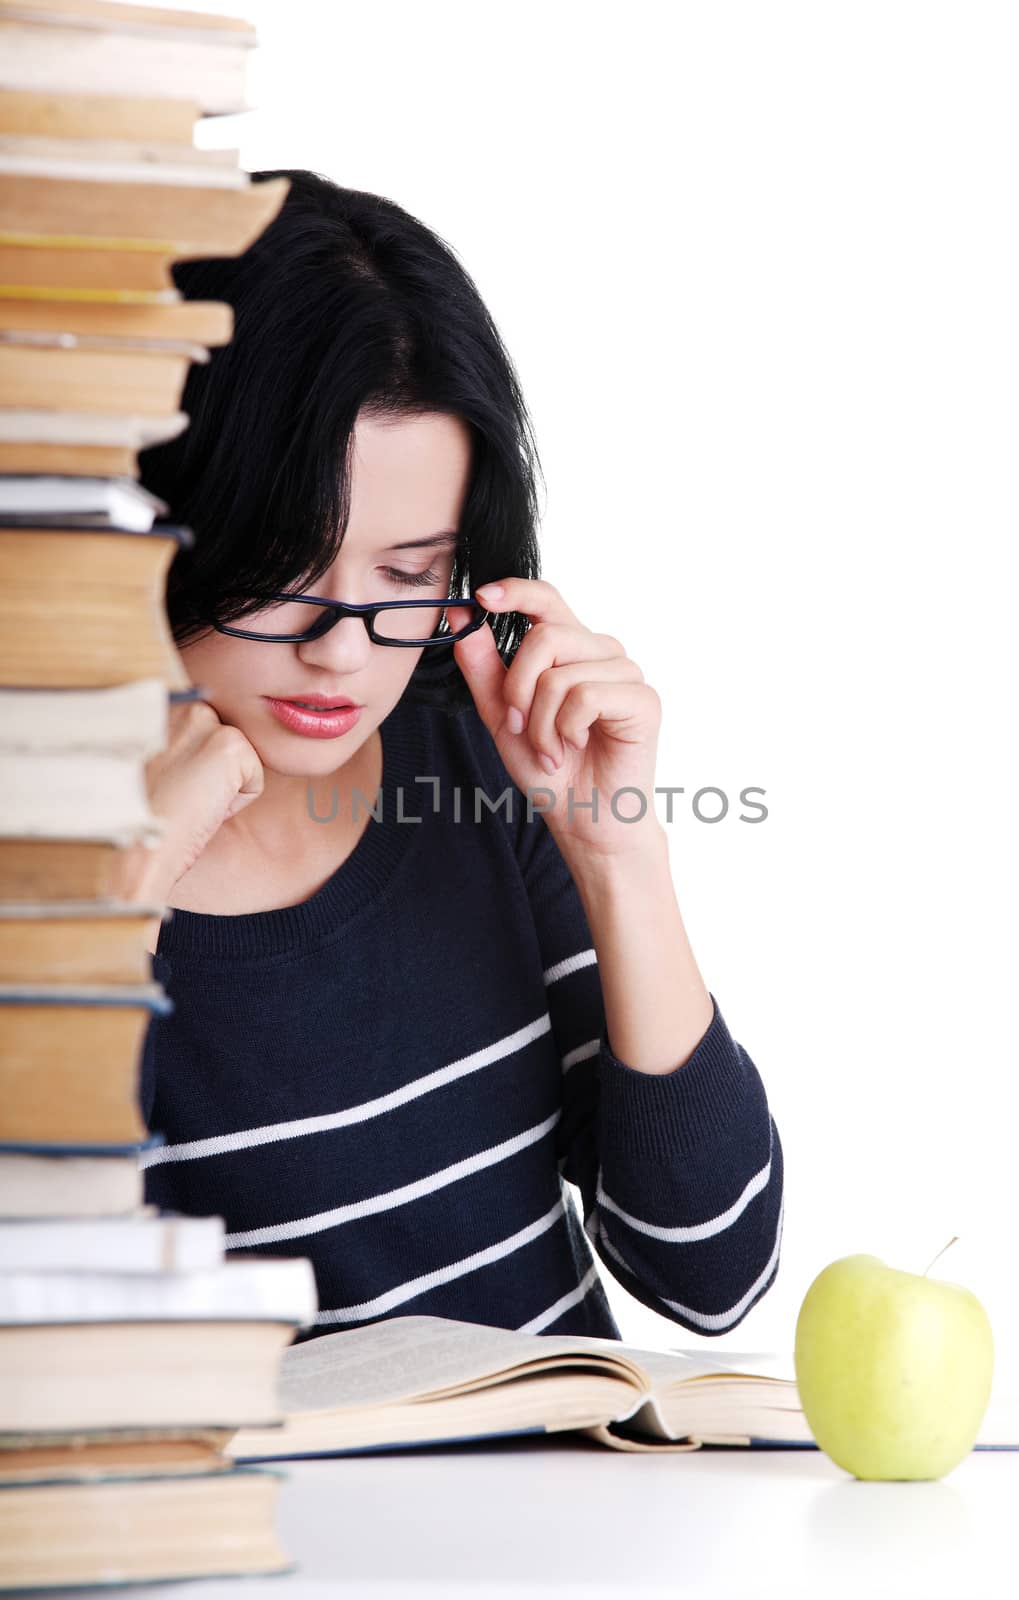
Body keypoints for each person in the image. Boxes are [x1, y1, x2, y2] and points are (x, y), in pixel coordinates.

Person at [123, 169, 785, 1344]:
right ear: (174, 515)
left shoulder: (470, 760)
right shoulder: (59, 876)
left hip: (570, 1505)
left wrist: (616, 856)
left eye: (406, 573)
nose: (338, 651)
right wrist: (110, 915)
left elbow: (712, 1273)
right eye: (282, 562)